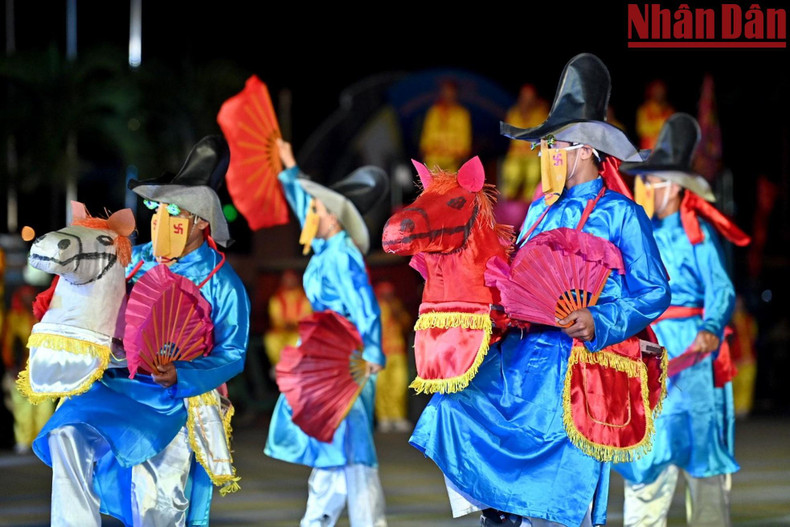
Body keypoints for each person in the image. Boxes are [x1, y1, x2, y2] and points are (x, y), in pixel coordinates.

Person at [409, 53, 671, 527]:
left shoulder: (621, 214)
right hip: (521, 360)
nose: (546, 155)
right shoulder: (539, 210)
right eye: (544, 146)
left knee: (561, 493)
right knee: (452, 409)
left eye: (555, 145)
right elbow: (517, 276)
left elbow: (653, 292)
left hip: (578, 366)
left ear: (587, 149)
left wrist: (600, 319)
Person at [32, 136, 251, 526]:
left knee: (157, 498)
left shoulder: (223, 282)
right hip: (116, 384)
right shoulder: (134, 259)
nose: (161, 218)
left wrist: (182, 374)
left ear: (200, 222)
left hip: (171, 400)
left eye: (175, 211)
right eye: (158, 207)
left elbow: (233, 353)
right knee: (66, 434)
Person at [615, 113, 749, 527]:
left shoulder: (699, 234)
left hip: (693, 357)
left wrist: (712, 328)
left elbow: (722, 289)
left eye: (651, 180)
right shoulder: (636, 232)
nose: (644, 188)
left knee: (702, 461)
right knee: (646, 461)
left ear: (672, 185)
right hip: (651, 353)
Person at [264, 139, 390, 527]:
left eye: (318, 209)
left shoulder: (341, 255)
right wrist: (288, 165)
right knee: (332, 444)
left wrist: (371, 351)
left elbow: (365, 305)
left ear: (333, 217)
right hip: (327, 354)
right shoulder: (325, 248)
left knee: (349, 447)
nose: (310, 213)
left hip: (348, 361)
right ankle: (317, 520)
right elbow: (304, 204)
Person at [2, 284, 54, 454]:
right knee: (22, 406)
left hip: (43, 368)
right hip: (21, 370)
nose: (26, 299)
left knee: (45, 405)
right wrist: (11, 365)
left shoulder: (45, 316)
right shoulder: (14, 318)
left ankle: (42, 439)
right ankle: (24, 440)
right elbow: (8, 343)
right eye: (23, 296)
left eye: (29, 296)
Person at [373, 280, 412, 433]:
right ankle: (384, 418)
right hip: (380, 352)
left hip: (397, 351)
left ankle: (398, 416)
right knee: (382, 386)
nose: (388, 296)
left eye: (390, 293)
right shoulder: (374, 308)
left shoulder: (396, 306)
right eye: (385, 293)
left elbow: (406, 324)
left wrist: (398, 312)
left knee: (399, 384)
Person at [500, 83, 549, 203]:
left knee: (533, 172)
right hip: (516, 155)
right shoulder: (513, 113)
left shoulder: (541, 113)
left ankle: (530, 204)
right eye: (524, 96)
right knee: (512, 172)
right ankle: (507, 203)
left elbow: (544, 136)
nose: (527, 100)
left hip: (533, 155)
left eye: (530, 97)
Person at [264, 269, 312, 373]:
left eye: (291, 279)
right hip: (282, 331)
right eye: (287, 279)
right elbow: (275, 316)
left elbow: (306, 316)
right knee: (271, 339)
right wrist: (284, 324)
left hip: (298, 331)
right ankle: (280, 366)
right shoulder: (277, 298)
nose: (289, 281)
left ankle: (293, 366)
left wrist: (294, 325)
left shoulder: (304, 298)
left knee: (297, 341)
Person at [419, 79, 472, 172]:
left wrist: (455, 151)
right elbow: (427, 135)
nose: (448, 94)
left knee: (451, 184)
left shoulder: (462, 114)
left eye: (451, 91)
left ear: (456, 93)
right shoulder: (433, 112)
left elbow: (465, 139)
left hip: (453, 159)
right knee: (431, 183)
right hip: (434, 157)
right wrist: (429, 149)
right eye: (445, 91)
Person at [636, 80, 674, 150]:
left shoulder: (669, 110)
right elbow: (642, 129)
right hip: (649, 151)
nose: (659, 93)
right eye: (656, 90)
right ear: (651, 92)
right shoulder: (645, 109)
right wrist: (661, 124)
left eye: (661, 90)